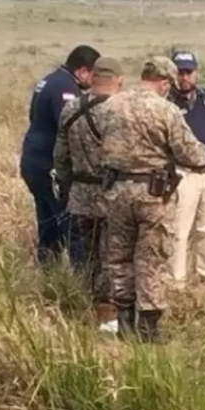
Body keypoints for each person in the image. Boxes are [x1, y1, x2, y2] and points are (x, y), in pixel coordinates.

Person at [98, 57, 205, 342]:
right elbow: (191, 154)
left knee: (119, 258)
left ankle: (123, 324)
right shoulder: (167, 110)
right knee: (151, 260)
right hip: (153, 196)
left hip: (117, 193)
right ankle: (148, 329)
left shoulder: (111, 105)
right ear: (163, 82)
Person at [54, 56, 124, 334]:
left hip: (81, 195)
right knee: (114, 255)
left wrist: (67, 186)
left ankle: (89, 305)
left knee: (90, 253)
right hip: (113, 195)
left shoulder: (71, 108)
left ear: (93, 77)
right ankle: (109, 316)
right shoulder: (119, 110)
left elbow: (60, 156)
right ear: (117, 79)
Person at [19, 45, 101, 264]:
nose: (93, 82)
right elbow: (70, 127)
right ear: (83, 71)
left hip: (33, 160)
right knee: (69, 223)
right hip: (49, 165)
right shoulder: (66, 90)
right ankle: (78, 279)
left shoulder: (49, 80)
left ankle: (48, 270)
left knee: (48, 222)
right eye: (94, 76)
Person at [166, 50, 205, 290]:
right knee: (179, 231)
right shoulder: (167, 103)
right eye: (180, 72)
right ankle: (176, 280)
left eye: (188, 72)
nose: (184, 78)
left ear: (196, 72)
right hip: (184, 173)